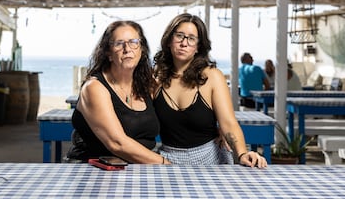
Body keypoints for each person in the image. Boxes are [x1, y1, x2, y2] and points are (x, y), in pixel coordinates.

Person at [153, 13, 267, 168]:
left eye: (191, 38)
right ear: (169, 40)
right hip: (167, 160)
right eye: (179, 36)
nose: (184, 43)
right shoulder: (154, 80)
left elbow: (228, 123)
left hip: (211, 159)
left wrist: (242, 153)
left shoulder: (212, 77)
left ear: (198, 46)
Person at [66, 20, 170, 164]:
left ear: (142, 50)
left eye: (134, 42)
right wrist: (167, 164)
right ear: (108, 53)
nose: (127, 49)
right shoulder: (94, 88)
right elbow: (117, 144)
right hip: (95, 170)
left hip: (137, 167)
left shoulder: (147, 84)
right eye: (119, 43)